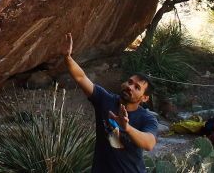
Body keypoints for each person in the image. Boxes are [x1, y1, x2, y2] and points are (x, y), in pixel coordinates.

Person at [62, 32, 159, 173]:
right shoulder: (105, 99)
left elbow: (149, 144)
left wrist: (127, 128)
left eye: (137, 87)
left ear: (144, 98)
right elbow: (81, 78)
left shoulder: (147, 118)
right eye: (130, 82)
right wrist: (67, 58)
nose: (130, 87)